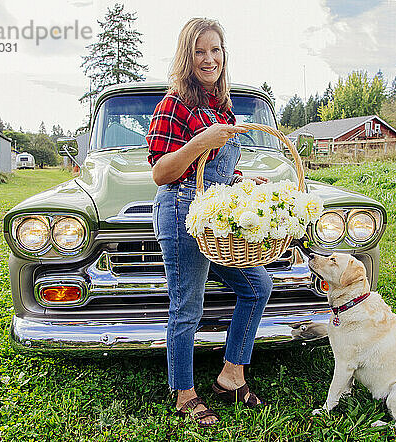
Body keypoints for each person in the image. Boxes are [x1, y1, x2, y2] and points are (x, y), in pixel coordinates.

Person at [146, 18, 273, 427]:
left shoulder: (222, 105)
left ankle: (231, 375)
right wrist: (200, 141)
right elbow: (162, 172)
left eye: (215, 50)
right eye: (200, 51)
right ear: (187, 56)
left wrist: (241, 180)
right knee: (187, 307)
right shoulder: (174, 103)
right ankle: (183, 393)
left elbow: (212, 172)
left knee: (257, 285)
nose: (209, 59)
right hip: (182, 211)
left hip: (212, 214)